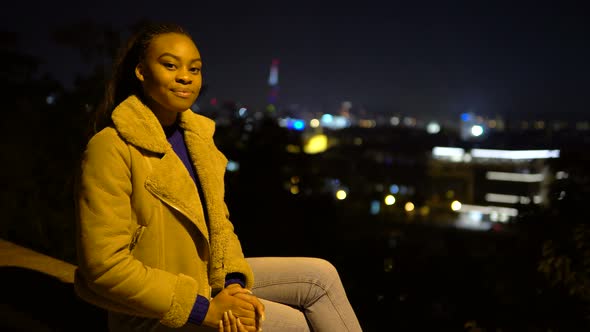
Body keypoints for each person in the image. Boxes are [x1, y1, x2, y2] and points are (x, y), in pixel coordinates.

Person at [74, 22, 363, 332]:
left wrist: (234, 283)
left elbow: (219, 227)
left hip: (204, 279)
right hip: (155, 310)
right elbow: (104, 267)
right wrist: (204, 309)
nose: (185, 76)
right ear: (141, 71)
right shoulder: (112, 146)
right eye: (170, 65)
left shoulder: (197, 141)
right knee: (299, 326)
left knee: (320, 276)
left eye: (194, 69)